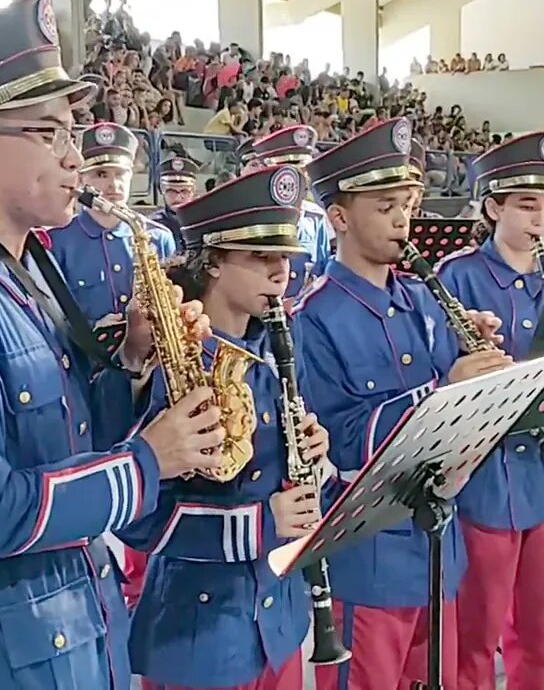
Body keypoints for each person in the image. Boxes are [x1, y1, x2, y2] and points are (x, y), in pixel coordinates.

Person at [0, 0, 226, 688]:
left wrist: (133, 359)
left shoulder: (24, 268)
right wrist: (149, 463)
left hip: (71, 612)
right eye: (51, 134)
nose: (75, 160)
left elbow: (66, 438)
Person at [292, 117, 512, 689]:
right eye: (385, 205)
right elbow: (341, 442)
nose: (402, 219)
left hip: (438, 545)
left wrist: (478, 364)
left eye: (406, 204)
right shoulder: (314, 318)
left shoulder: (420, 297)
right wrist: (447, 390)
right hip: (369, 559)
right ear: (338, 218)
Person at [121, 164, 330, 690]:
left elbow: (285, 473)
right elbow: (138, 519)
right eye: (260, 257)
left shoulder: (275, 346)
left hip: (277, 619)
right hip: (200, 634)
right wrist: (262, 523)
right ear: (212, 262)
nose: (280, 272)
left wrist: (316, 458)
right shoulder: (173, 364)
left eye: (284, 256)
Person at [435, 131, 544, 689]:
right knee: (477, 630)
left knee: (539, 628)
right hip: (485, 476)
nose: (539, 218)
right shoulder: (457, 276)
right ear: (493, 206)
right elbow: (442, 380)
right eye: (526, 204)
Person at [46, 120, 176, 608]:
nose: (111, 185)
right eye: (100, 173)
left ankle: (142, 584)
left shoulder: (155, 237)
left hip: (148, 382)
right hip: (86, 382)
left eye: (119, 173)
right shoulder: (56, 239)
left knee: (155, 481)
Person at [242, 125, 331, 298]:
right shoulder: (248, 218)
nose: (298, 180)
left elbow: (321, 271)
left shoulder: (315, 218)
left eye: (304, 171)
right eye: (289, 172)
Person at [153, 156, 200, 251]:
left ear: (193, 191)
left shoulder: (202, 222)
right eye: (171, 191)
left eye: (184, 191)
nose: (178, 197)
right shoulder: (153, 225)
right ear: (162, 190)